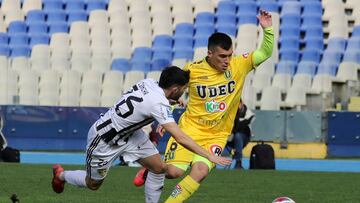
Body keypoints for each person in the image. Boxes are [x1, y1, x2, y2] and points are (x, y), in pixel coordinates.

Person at [142, 10, 274, 203]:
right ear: (210, 53)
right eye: (222, 56)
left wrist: (267, 29)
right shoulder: (192, 70)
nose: (227, 61)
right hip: (189, 130)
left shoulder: (240, 65)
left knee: (201, 171)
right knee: (172, 172)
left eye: (230, 55)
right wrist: (166, 115)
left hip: (217, 135)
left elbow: (265, 52)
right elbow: (173, 91)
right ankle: (150, 169)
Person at [51, 66, 231, 194]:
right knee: (93, 184)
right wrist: (210, 156)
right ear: (175, 89)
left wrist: (171, 101)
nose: (183, 94)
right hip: (104, 139)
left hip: (131, 135)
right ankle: (62, 175)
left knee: (159, 168)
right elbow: (181, 137)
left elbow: (148, 102)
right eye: (183, 91)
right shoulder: (158, 103)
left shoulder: (150, 82)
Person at [226, 101, 255, 169]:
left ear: (242, 104)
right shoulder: (232, 112)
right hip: (232, 136)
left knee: (238, 136)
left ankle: (238, 161)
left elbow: (241, 126)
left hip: (244, 136)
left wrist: (236, 116)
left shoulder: (249, 114)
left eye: (238, 104)